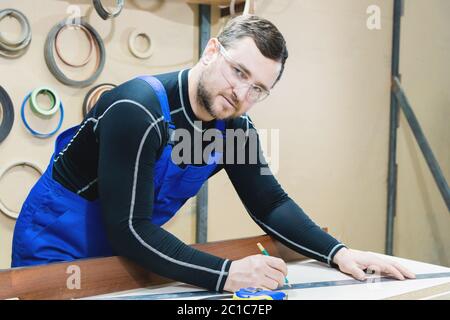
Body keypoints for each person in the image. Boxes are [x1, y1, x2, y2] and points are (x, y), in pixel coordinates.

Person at [11, 15, 415, 293]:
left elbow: (270, 204)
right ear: (211, 51)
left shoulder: (232, 129)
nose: (241, 94)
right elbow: (130, 227)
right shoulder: (138, 108)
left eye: (258, 89)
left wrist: (340, 253)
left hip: (128, 250)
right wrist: (227, 273)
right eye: (238, 72)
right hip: (58, 243)